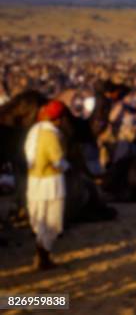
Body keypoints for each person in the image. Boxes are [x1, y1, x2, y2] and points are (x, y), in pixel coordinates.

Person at [24, 100, 69, 270]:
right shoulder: (52, 135)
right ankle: (43, 258)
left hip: (33, 181)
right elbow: (58, 161)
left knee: (39, 221)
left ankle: (41, 256)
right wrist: (68, 167)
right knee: (52, 222)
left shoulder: (34, 130)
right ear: (58, 119)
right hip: (51, 184)